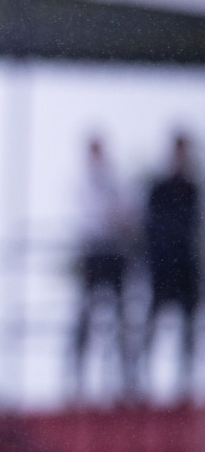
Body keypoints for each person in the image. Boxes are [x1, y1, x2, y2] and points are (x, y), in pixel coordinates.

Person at [68, 135, 134, 397]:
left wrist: (114, 218)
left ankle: (125, 380)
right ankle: (76, 380)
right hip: (93, 254)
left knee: (119, 318)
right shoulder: (82, 183)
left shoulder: (115, 181)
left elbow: (127, 214)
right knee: (84, 317)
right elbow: (91, 218)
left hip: (114, 254)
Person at [142, 131, 201, 397]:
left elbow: (191, 227)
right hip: (164, 265)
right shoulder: (159, 188)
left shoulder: (191, 189)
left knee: (188, 325)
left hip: (184, 266)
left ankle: (184, 380)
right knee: (153, 322)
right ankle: (140, 379)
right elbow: (152, 227)